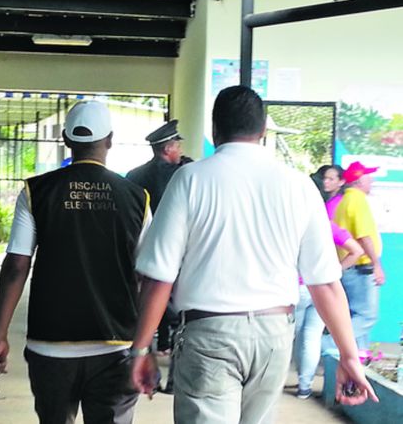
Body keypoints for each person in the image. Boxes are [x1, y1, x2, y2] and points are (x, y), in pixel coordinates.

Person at [129, 86, 378, 424]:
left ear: (215, 130)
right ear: (262, 131)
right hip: (274, 336)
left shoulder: (190, 180)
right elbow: (325, 283)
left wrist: (141, 348)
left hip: (209, 334)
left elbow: (159, 277)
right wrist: (349, 355)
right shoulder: (299, 185)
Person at [0, 100, 152, 424]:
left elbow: (17, 266)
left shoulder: (36, 191)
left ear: (65, 139)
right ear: (110, 140)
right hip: (115, 343)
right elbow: (148, 275)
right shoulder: (137, 198)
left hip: (50, 344)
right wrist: (145, 345)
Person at [127, 120, 192, 393]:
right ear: (167, 148)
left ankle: (140, 359)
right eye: (177, 146)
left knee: (143, 308)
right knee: (180, 318)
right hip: (177, 256)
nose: (180, 150)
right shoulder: (184, 176)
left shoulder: (133, 176)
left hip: (141, 255)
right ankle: (173, 379)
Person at [294, 220, 364, 399]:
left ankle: (294, 379)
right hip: (323, 287)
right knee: (312, 337)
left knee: (294, 337)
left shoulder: (295, 222)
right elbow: (356, 250)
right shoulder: (326, 225)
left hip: (297, 287)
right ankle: (304, 386)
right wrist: (335, 271)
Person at [334, 160, 385, 351]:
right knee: (366, 316)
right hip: (362, 269)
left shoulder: (344, 201)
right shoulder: (358, 201)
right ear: (359, 181)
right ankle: (328, 344)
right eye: (368, 177)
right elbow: (364, 236)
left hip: (350, 268)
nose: (371, 181)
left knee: (356, 315)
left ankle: (359, 359)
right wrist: (376, 265)